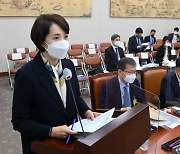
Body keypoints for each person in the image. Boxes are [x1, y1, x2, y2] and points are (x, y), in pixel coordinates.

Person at [11, 14, 99, 154]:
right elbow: (19, 121)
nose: (63, 42)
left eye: (66, 36)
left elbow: (75, 97)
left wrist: (86, 112)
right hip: (43, 145)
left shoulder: (68, 65)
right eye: (56, 38)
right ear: (41, 41)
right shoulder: (27, 75)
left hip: (71, 142)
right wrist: (51, 131)